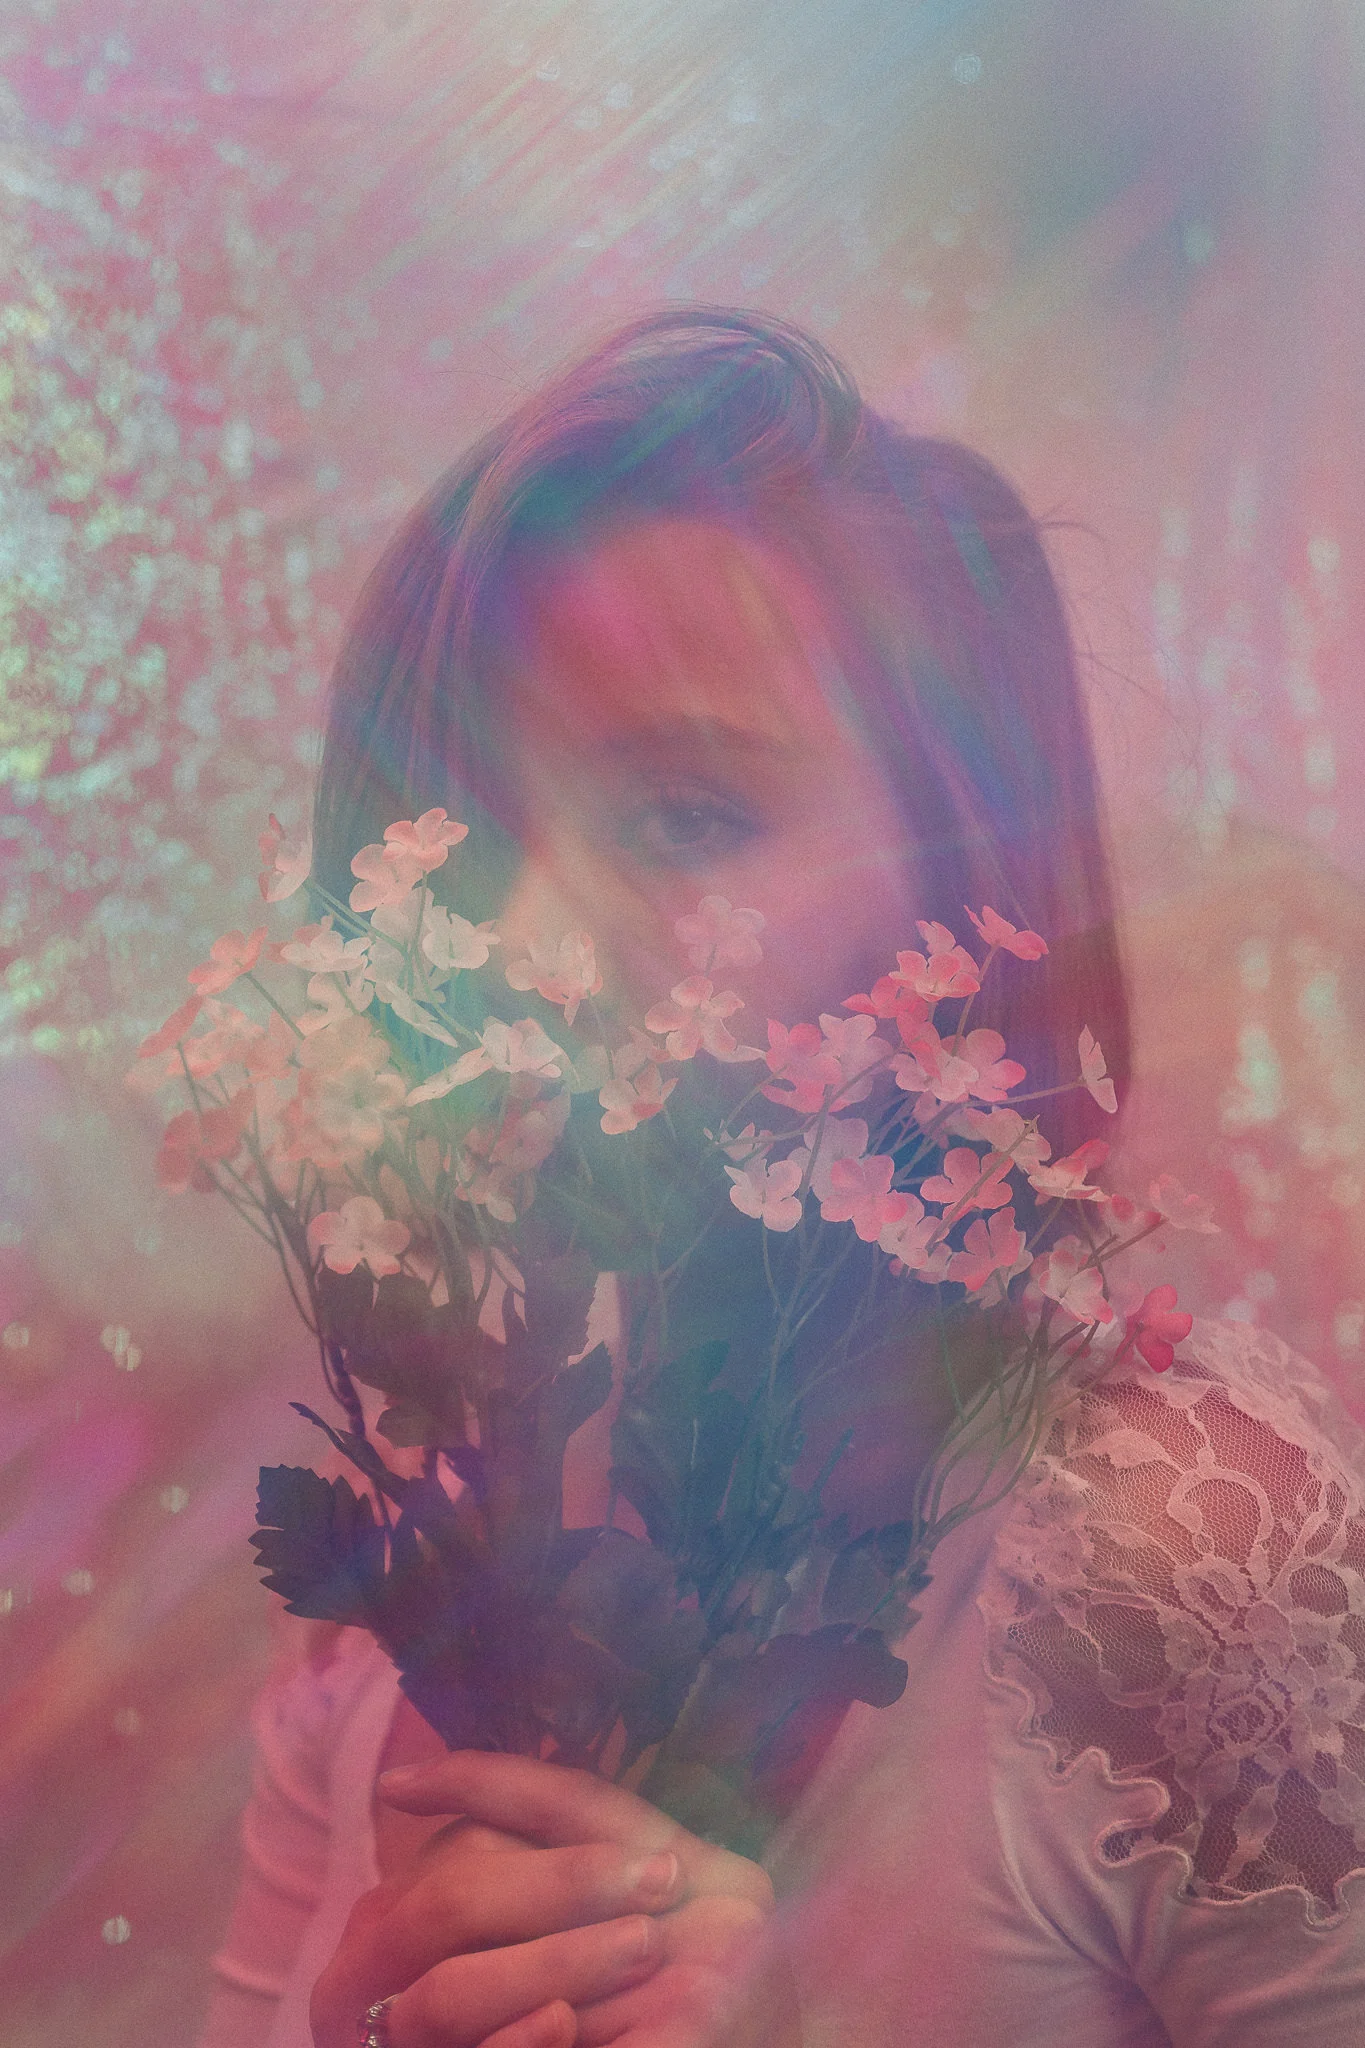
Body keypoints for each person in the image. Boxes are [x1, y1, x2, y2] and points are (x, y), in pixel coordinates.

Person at [197, 309, 1365, 2048]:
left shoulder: (1169, 1559)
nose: (521, 943)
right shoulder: (401, 1591)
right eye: (461, 839)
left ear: (968, 905)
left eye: (686, 816)